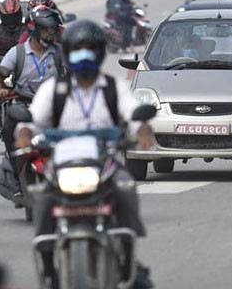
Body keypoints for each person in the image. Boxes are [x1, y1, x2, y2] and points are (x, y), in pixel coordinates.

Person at [27, 20, 154, 288]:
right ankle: (49, 269)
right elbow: (32, 120)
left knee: (126, 187)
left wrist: (141, 129)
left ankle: (129, 261)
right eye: (77, 49)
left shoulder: (113, 87)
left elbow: (133, 114)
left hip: (105, 164)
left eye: (89, 48)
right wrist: (24, 134)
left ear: (99, 53)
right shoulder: (54, 89)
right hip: (63, 167)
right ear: (68, 53)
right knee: (42, 201)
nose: (83, 54)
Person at [0, 6, 65, 104]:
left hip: (52, 104)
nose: (51, 33)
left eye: (53, 29)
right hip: (23, 105)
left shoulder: (60, 51)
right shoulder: (17, 52)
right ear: (33, 29)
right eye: (46, 29)